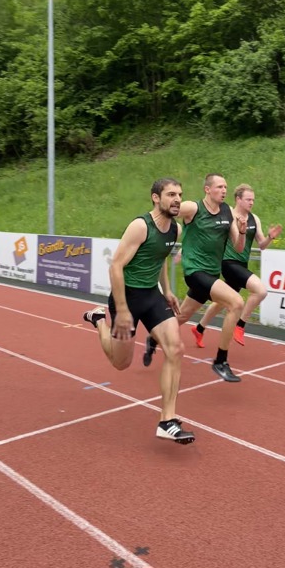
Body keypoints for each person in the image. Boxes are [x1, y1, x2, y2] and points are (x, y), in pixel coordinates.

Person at [83, 178, 195, 445]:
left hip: (152, 296)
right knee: (120, 363)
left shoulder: (175, 230)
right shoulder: (140, 226)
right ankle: (99, 320)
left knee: (176, 348)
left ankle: (167, 421)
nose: (177, 199)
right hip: (128, 298)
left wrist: (167, 290)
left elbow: (160, 259)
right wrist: (121, 310)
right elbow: (116, 267)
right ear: (156, 198)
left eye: (180, 194)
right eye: (171, 194)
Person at [143, 173, 248, 383]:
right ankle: (221, 361)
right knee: (236, 303)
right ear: (207, 190)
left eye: (226, 187)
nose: (224, 190)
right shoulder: (193, 208)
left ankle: (153, 338)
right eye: (219, 187)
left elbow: (238, 247)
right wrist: (153, 232)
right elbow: (164, 211)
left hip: (211, 273)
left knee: (181, 316)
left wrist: (243, 232)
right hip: (194, 272)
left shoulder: (227, 211)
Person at [192, 183, 282, 347]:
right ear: (238, 199)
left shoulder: (255, 219)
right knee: (260, 291)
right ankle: (240, 325)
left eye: (253, 200)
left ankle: (199, 328)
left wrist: (270, 237)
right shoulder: (228, 216)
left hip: (242, 264)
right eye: (248, 199)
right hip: (228, 263)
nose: (251, 202)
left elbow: (261, 245)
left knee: (221, 302)